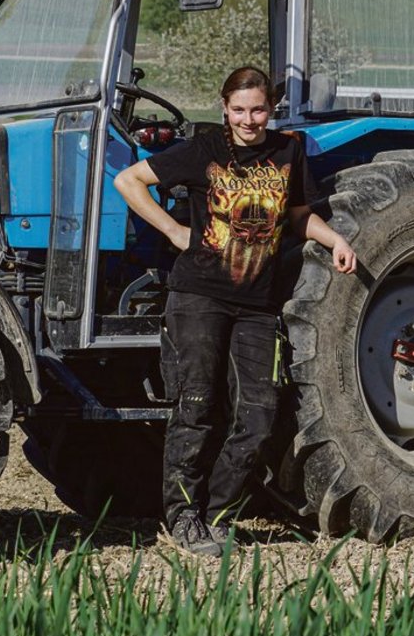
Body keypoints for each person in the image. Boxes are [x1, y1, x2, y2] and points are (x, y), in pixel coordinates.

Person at [113, 65, 357, 556]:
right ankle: (183, 519)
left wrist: (335, 240)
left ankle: (219, 517)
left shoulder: (288, 151)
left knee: (259, 415)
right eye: (240, 110)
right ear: (225, 109)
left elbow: (297, 216)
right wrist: (174, 232)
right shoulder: (205, 149)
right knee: (197, 406)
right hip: (199, 296)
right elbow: (130, 180)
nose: (250, 119)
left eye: (258, 109)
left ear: (271, 109)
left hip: (257, 305)